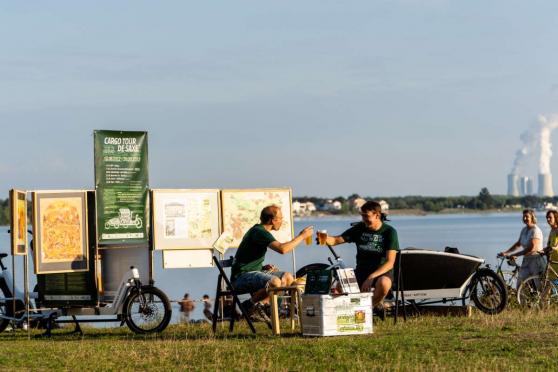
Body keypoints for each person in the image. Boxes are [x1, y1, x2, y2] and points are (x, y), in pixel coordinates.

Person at [231, 205, 313, 321]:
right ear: (273, 220)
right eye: (280, 218)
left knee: (288, 277)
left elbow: (247, 258)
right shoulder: (259, 232)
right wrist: (302, 236)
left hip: (252, 271)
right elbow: (282, 249)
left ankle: (268, 309)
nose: (282, 221)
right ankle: (250, 305)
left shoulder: (259, 231)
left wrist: (262, 267)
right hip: (240, 277)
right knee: (275, 282)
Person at [320, 200, 399, 316]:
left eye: (366, 216)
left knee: (384, 284)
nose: (363, 219)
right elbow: (336, 240)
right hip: (362, 270)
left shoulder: (389, 232)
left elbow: (390, 262)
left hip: (381, 272)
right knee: (340, 286)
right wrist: (325, 239)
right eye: (362, 216)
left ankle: (367, 309)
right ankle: (351, 311)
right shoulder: (359, 228)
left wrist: (371, 277)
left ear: (377, 215)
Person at [499, 209, 545, 286]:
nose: (524, 218)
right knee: (520, 284)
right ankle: (522, 298)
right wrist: (506, 252)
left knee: (538, 285)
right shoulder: (524, 229)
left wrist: (516, 254)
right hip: (526, 260)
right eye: (523, 217)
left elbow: (532, 248)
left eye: (527, 217)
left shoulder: (536, 230)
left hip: (536, 260)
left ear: (532, 218)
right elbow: (518, 244)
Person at [544, 210, 558, 280]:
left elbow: (556, 246)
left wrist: (554, 248)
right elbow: (549, 245)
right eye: (547, 218)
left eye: (550, 217)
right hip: (552, 262)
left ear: (555, 218)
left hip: (557, 261)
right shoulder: (552, 231)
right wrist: (543, 250)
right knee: (549, 285)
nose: (548, 219)